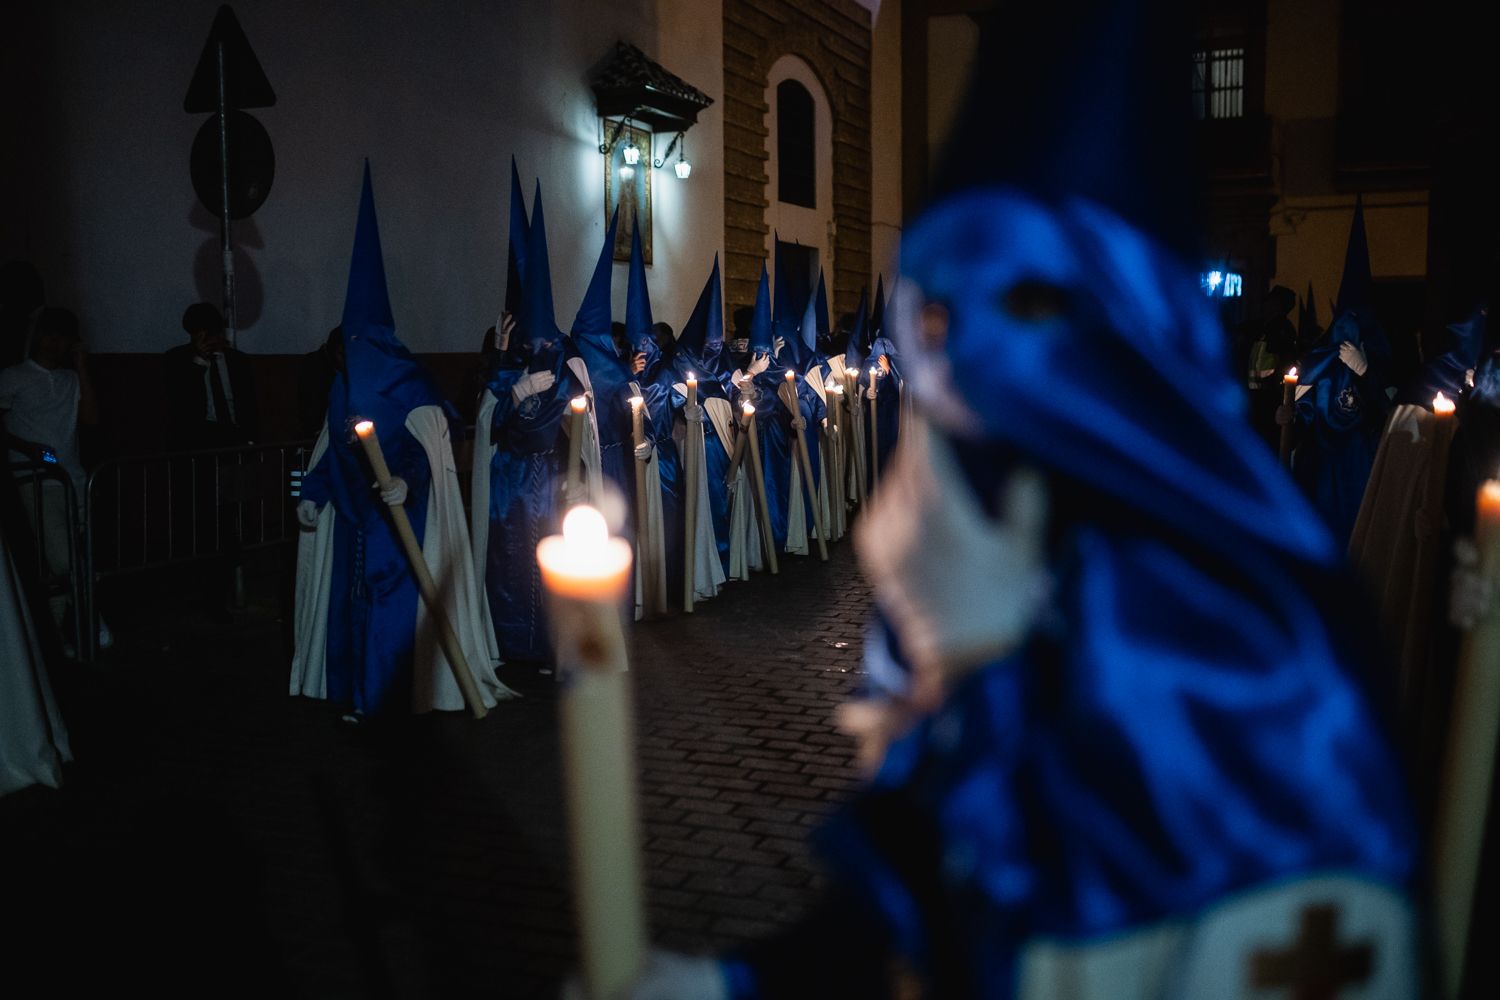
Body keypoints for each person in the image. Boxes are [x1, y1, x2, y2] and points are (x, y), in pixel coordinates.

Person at [604, 2, 1417, 996]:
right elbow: (913, 891)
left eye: (1018, 309)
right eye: (936, 322)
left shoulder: (1263, 650)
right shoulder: (957, 543)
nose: (964, 371)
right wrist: (734, 986)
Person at [291, 163, 512, 717]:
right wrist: (313, 494)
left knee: (394, 604)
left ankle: (387, 696)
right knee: (351, 604)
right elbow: (331, 448)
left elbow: (429, 443)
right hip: (353, 516)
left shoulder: (408, 382)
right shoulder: (342, 386)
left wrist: (405, 484)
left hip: (401, 520)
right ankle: (353, 692)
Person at [476, 180, 591, 662]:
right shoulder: (505, 366)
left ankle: (548, 646)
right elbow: (490, 422)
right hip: (507, 483)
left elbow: (567, 423)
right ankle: (506, 643)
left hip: (549, 480)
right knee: (506, 563)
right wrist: (507, 375)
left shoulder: (566, 370)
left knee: (549, 563)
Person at [0, 306, 105, 652]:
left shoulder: (69, 379)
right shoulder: (13, 376)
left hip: (72, 477)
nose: (54, 343)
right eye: (50, 335)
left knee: (65, 560)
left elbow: (90, 420)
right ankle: (92, 621)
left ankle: (58, 638)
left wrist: (82, 367)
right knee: (63, 561)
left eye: (62, 338)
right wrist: (27, 449)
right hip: (37, 480)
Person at [164, 302, 259, 449]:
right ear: (193, 334)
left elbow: (249, 403)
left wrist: (251, 438)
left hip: (235, 435)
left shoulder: (238, 361)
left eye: (213, 332)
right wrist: (199, 360)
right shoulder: (177, 359)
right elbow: (180, 401)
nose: (210, 338)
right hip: (196, 438)